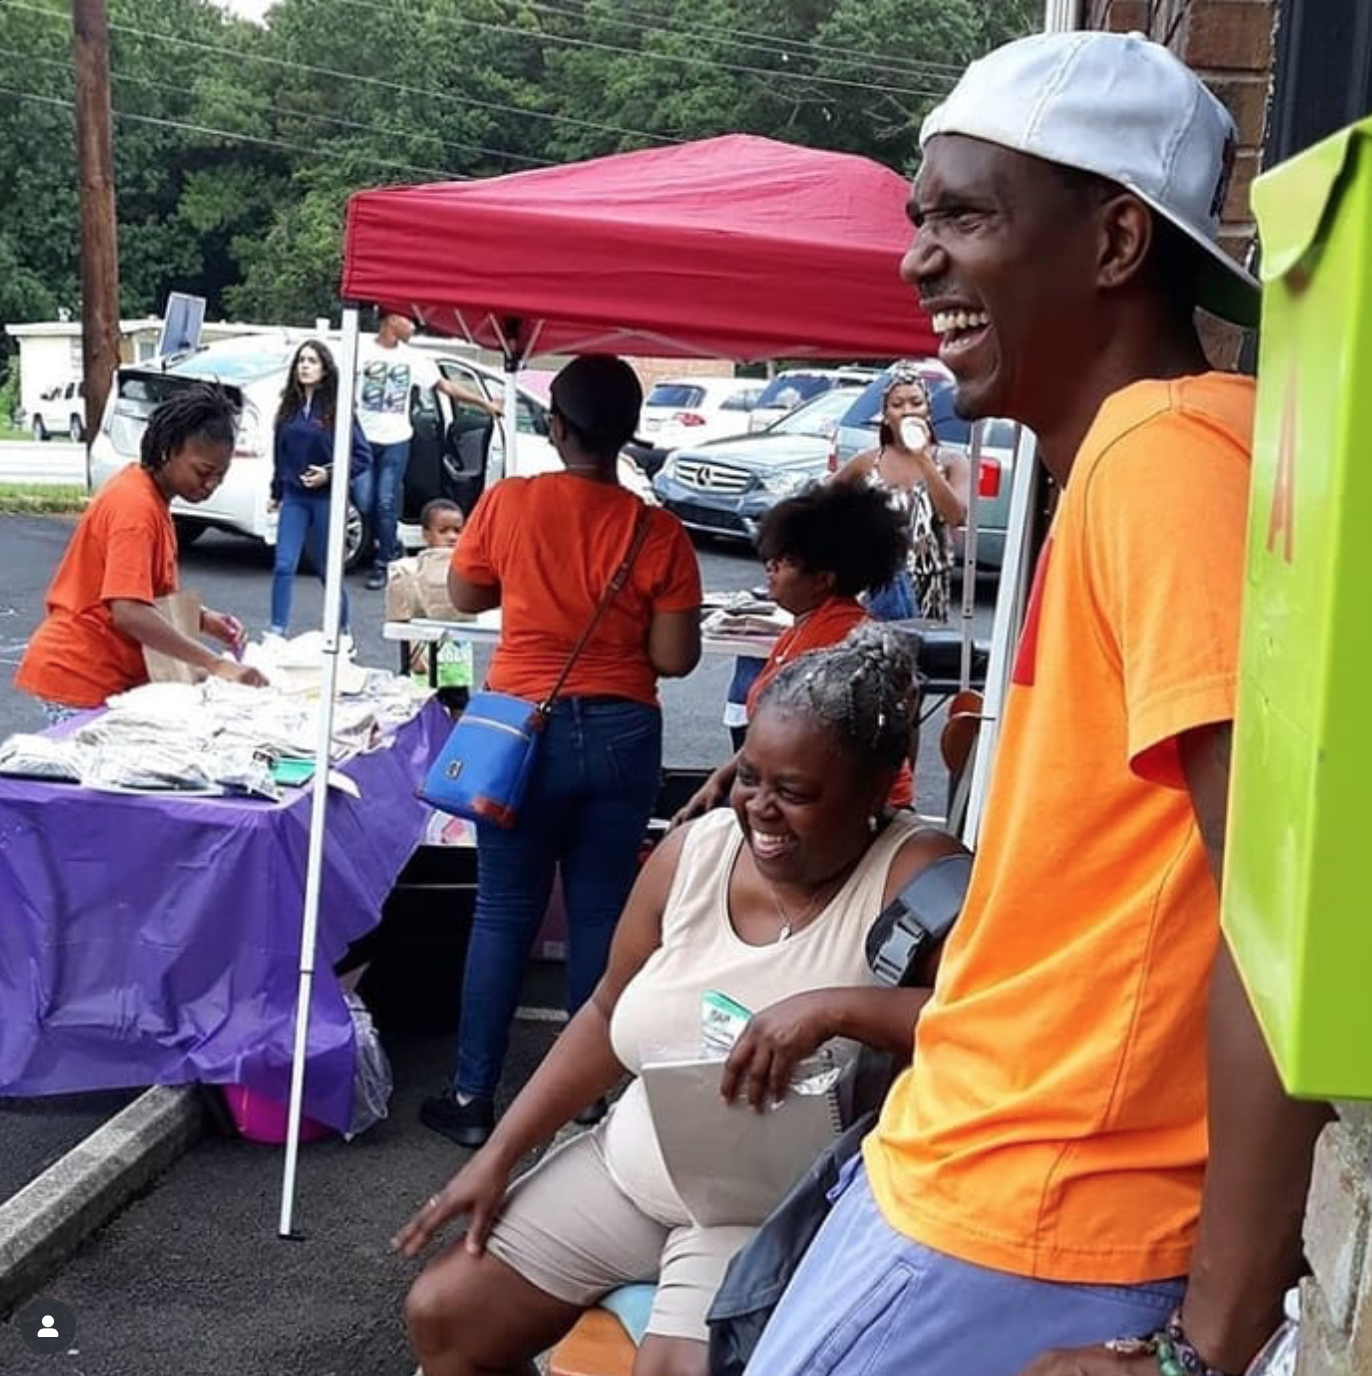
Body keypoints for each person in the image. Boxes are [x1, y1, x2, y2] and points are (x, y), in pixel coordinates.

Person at [743, 31, 1329, 1376]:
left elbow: (1281, 922)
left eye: (963, 216)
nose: (917, 258)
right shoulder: (1136, 457)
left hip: (1041, 1208)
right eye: (920, 218)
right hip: (983, 1176)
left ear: (1116, 240)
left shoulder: (1163, 463)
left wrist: (1204, 1349)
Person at [396, 629, 966, 1376]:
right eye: (749, 776)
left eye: (794, 792)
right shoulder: (691, 853)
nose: (759, 809)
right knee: (443, 1315)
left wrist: (835, 1008)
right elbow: (606, 1011)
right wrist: (499, 1155)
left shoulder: (919, 873)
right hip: (630, 1172)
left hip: (761, 1211)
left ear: (874, 789)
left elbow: (993, 1023)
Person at [419, 354, 702, 1150]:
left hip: (520, 730)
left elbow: (466, 594)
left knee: (503, 912)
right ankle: (587, 1099)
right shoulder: (658, 530)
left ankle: (473, 1096)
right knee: (601, 915)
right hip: (622, 733)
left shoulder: (511, 501)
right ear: (628, 433)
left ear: (557, 427)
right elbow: (675, 658)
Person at [16, 384, 267, 722]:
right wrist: (215, 663)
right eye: (203, 472)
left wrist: (203, 619)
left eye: (220, 477)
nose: (210, 485)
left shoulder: (151, 497)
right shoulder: (135, 507)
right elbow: (129, 611)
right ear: (167, 451)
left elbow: (148, 594)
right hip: (80, 674)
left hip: (105, 675)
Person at [675, 482, 914, 824]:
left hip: (841, 810)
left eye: (787, 561)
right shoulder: (803, 628)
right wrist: (721, 778)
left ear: (823, 580)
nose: (770, 567)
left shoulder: (840, 639)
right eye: (772, 557)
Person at [354, 313, 503, 591]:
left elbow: (446, 386)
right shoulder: (360, 351)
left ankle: (383, 562)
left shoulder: (413, 358)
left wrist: (485, 404)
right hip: (363, 441)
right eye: (408, 320)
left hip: (396, 440)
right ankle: (392, 544)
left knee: (385, 501)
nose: (414, 326)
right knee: (364, 501)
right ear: (391, 320)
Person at [832, 362, 969, 622]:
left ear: (927, 410)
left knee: (921, 646)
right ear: (885, 416)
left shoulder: (952, 460)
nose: (907, 411)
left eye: (916, 403)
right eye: (897, 405)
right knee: (876, 645)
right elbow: (822, 504)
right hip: (876, 583)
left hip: (930, 586)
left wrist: (923, 457)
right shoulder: (867, 462)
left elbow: (956, 516)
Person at [267, 339, 372, 637]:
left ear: (325, 370)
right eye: (301, 360)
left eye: (312, 361)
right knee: (284, 564)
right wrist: (276, 493)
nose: (305, 366)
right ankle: (277, 630)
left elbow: (362, 456)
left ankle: (343, 630)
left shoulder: (337, 410)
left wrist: (329, 473)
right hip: (294, 497)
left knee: (328, 569)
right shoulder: (288, 409)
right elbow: (279, 455)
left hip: (327, 499)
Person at [410, 497, 473, 714]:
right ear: (426, 534)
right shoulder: (415, 568)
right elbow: (405, 614)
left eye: (458, 530)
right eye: (443, 531)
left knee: (458, 703)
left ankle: (457, 736)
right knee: (421, 704)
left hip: (455, 657)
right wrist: (411, 650)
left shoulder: (464, 566)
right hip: (423, 653)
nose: (452, 537)